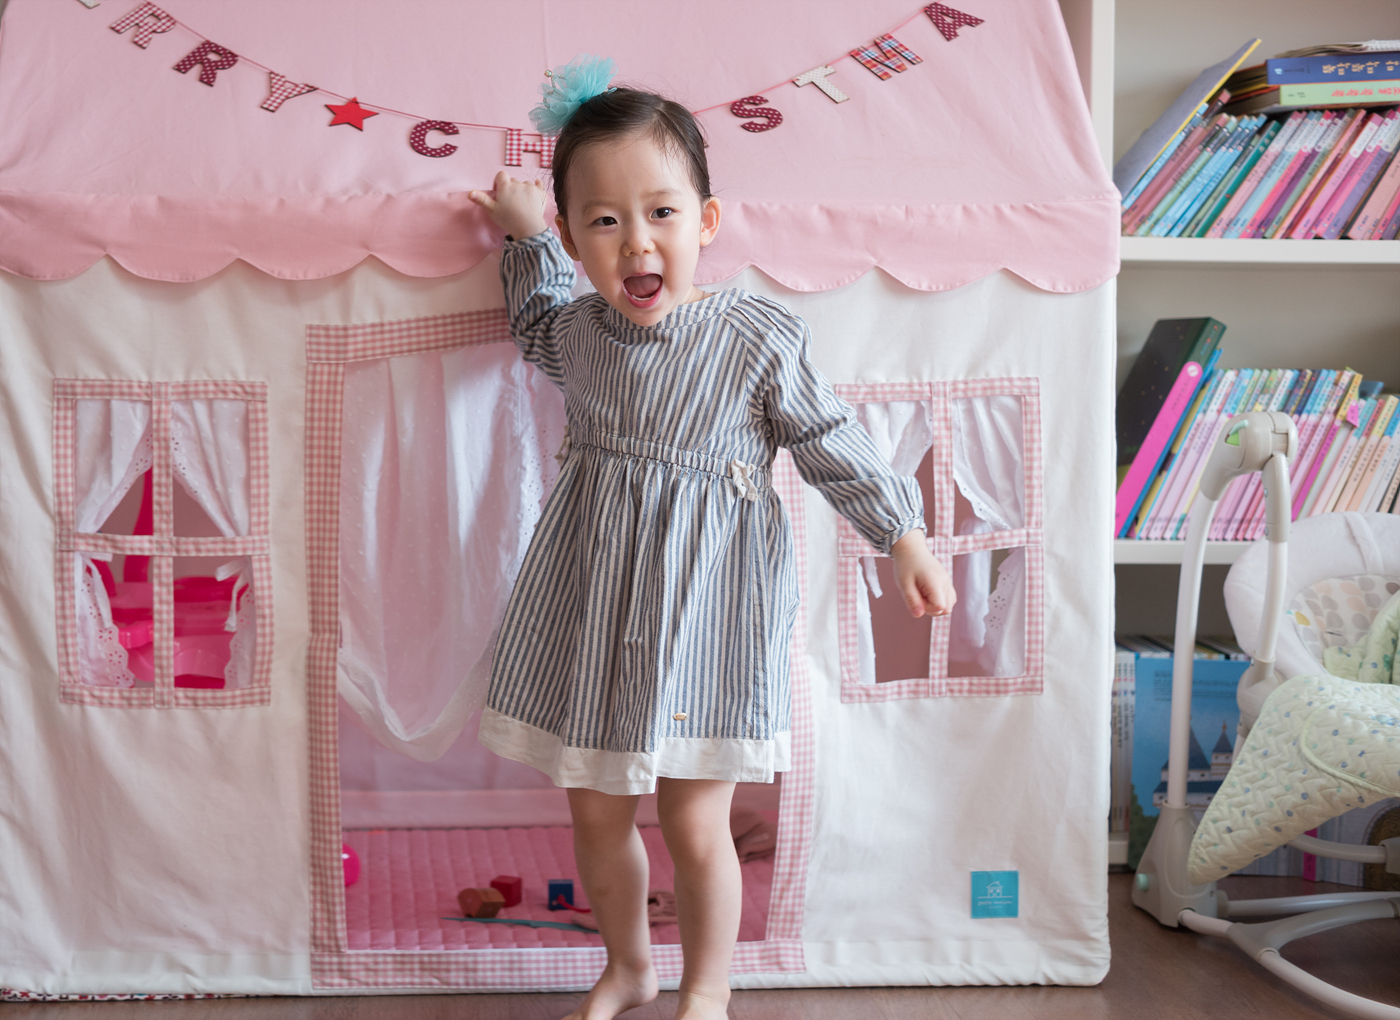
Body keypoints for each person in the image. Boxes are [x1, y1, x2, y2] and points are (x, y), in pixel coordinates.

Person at [468, 57, 955, 1020]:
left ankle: (707, 986)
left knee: (697, 821)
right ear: (573, 236)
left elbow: (827, 437)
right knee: (596, 809)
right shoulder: (582, 333)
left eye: (661, 213)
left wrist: (901, 532)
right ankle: (627, 966)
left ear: (706, 221)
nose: (636, 243)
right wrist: (522, 238)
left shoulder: (755, 336)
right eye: (603, 222)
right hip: (597, 602)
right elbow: (534, 323)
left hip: (708, 611)